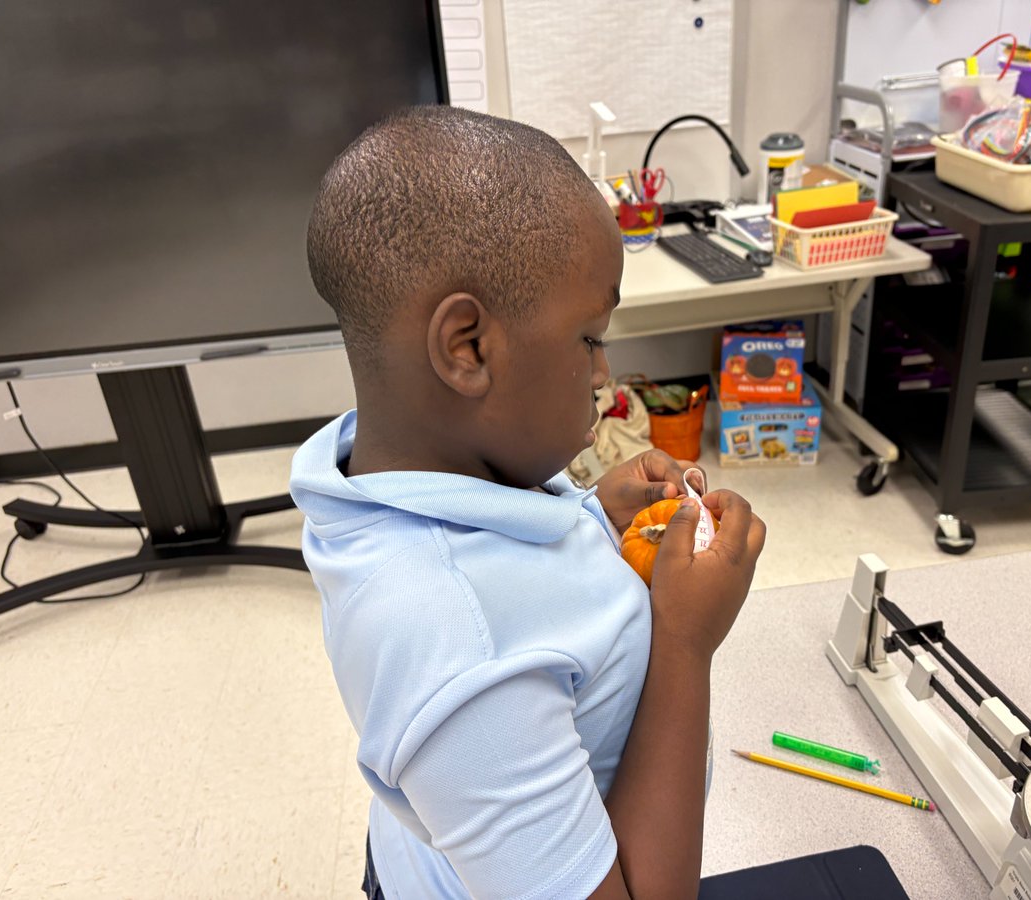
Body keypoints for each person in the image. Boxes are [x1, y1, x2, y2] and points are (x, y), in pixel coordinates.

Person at [289, 104, 766, 899]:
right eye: (590, 338)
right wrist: (685, 642)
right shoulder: (457, 651)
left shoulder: (404, 465)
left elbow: (498, 569)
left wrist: (587, 518)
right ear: (468, 347)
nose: (604, 374)